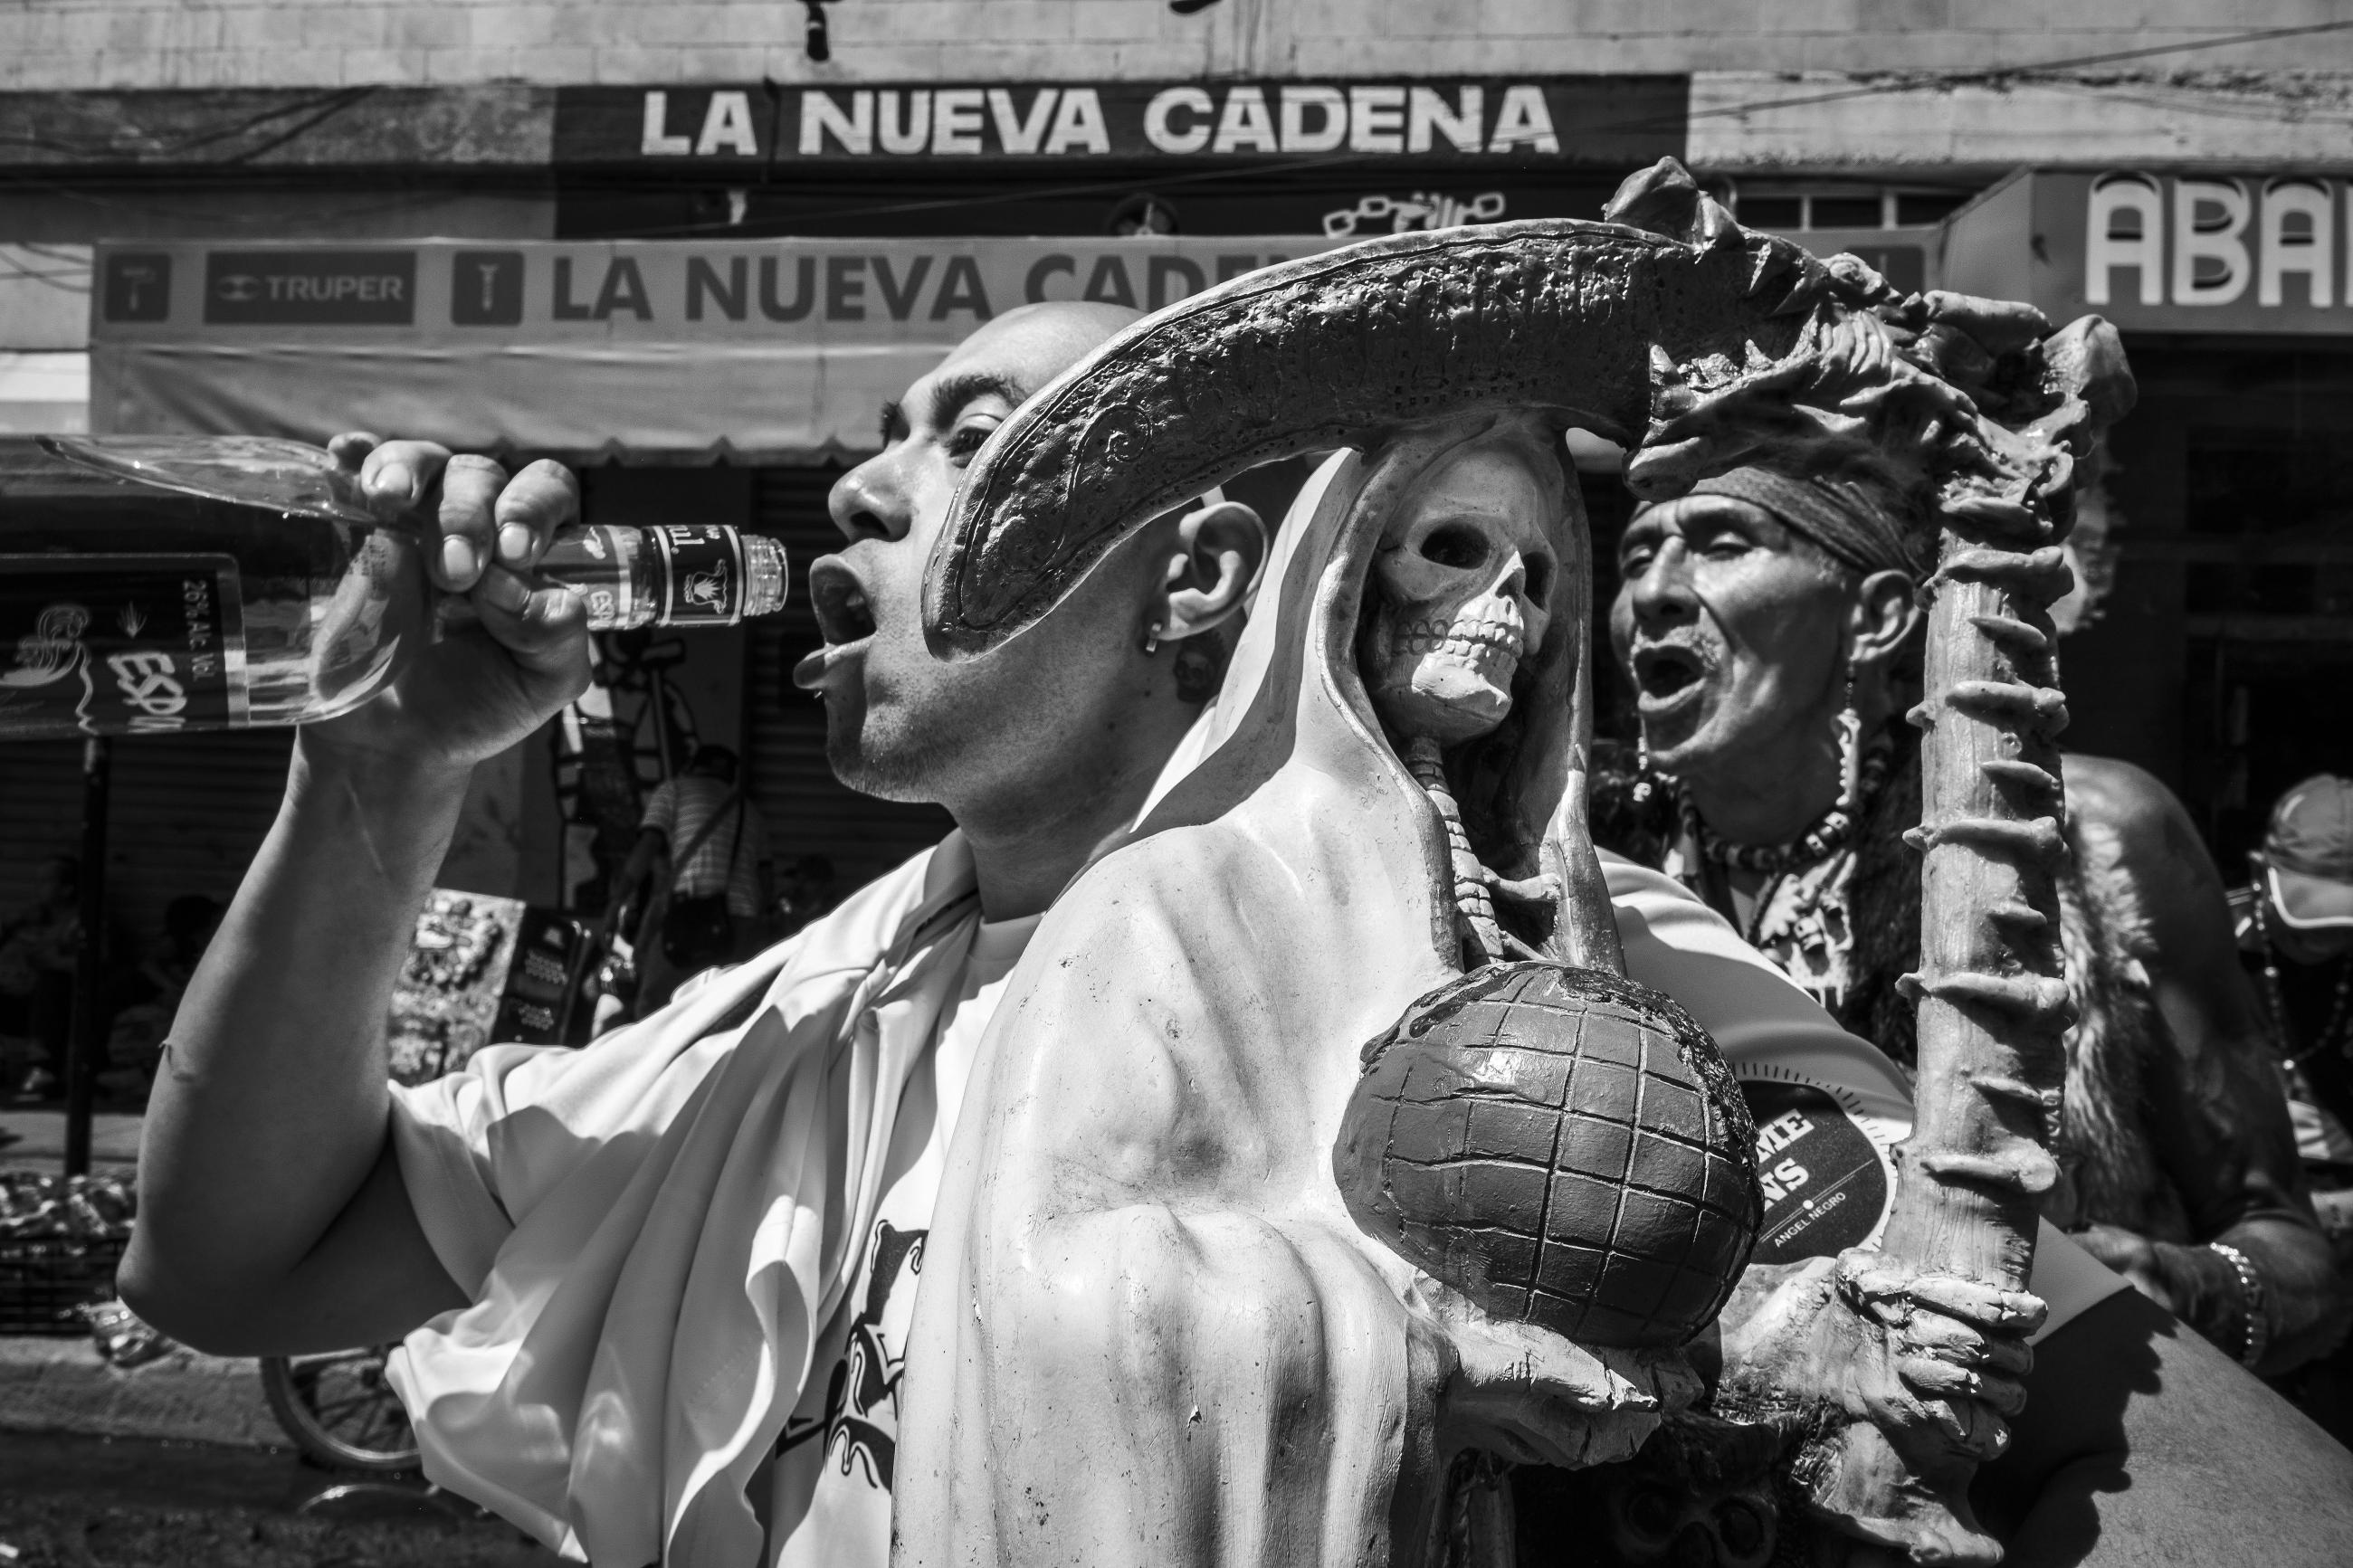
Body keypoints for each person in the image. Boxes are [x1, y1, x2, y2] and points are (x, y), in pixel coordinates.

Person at [122, 292, 2352, 1565]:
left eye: (966, 433)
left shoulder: (1535, 968)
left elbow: (2169, 1454)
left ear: (1198, 571)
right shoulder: (798, 1006)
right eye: (880, 440)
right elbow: (237, 1260)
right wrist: (374, 776)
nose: (859, 486)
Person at [1606, 463, 2347, 1378]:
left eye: (1721, 544)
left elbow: (2293, 1252)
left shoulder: (2074, 842)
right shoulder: (1591, 875)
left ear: (1875, 617)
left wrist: (2180, 1287)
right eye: (1632, 556)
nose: (1652, 591)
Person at [2232, 774, 2353, 1439]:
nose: (2326, 938)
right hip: (2234, 1215)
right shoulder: (2198, 943)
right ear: (2261, 871)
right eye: (2312, 913)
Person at [610, 742, 774, 1014]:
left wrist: (616, 903)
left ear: (693, 766)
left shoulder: (673, 790)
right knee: (719, 1013)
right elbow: (766, 879)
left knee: (654, 1009)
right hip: (741, 925)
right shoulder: (750, 810)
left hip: (692, 918)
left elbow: (647, 847)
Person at [0, 854, 81, 1099]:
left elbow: (93, 964)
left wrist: (49, 961)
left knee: (50, 986)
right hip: (16, 992)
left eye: (46, 881)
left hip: (53, 999)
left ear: (66, 889)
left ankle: (43, 1071)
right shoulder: (30, 918)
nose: (38, 888)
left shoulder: (79, 922)